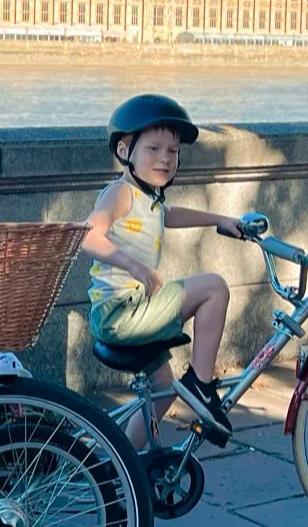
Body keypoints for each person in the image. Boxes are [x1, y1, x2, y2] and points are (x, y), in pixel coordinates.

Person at [82, 94, 240, 446]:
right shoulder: (121, 193)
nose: (165, 159)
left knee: (163, 389)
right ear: (124, 150)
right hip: (120, 313)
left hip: (131, 310)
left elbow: (170, 215)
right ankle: (201, 386)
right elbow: (87, 235)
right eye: (153, 149)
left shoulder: (149, 199)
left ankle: (125, 464)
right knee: (213, 288)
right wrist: (133, 265)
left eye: (173, 151)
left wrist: (222, 220)